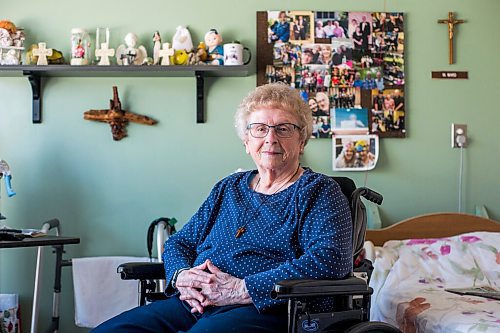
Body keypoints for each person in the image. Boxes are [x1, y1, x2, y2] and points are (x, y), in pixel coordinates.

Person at [92, 83, 353, 333]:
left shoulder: (319, 191)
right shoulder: (229, 188)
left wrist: (243, 288)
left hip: (268, 308)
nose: (271, 138)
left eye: (284, 129)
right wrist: (182, 277)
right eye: (260, 129)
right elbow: (179, 242)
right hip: (195, 303)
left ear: (302, 140)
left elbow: (330, 259)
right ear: (246, 141)